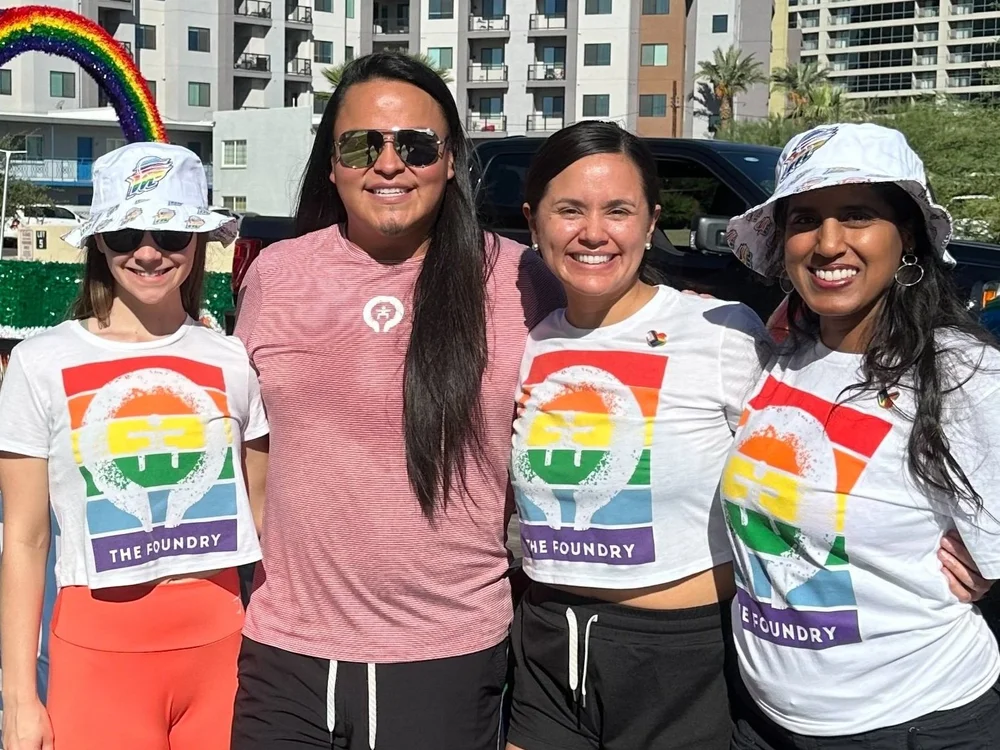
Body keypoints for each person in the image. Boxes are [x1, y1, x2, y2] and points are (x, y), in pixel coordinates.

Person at [229, 52, 560, 750]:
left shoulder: (518, 279)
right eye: (361, 145)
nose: (388, 164)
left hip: (445, 653)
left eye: (414, 145)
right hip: (283, 651)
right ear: (332, 163)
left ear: (449, 160)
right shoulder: (278, 276)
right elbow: (242, 438)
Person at [723, 122, 1000, 748]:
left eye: (857, 216)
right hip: (761, 721)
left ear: (907, 238)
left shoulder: (964, 374)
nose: (827, 243)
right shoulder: (778, 355)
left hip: (913, 723)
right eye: (804, 219)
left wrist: (991, 565)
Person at [503, 120, 769, 750]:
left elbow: (808, 462)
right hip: (546, 647)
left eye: (617, 210)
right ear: (533, 220)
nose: (593, 233)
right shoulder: (525, 341)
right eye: (568, 209)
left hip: (680, 663)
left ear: (651, 222)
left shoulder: (720, 330)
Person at [0, 142, 269, 750]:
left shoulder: (233, 357)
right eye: (125, 235)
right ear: (99, 241)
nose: (149, 252)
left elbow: (264, 511)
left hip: (225, 649)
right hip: (97, 656)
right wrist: (18, 697)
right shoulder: (41, 364)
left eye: (171, 234)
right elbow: (22, 538)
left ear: (199, 242)